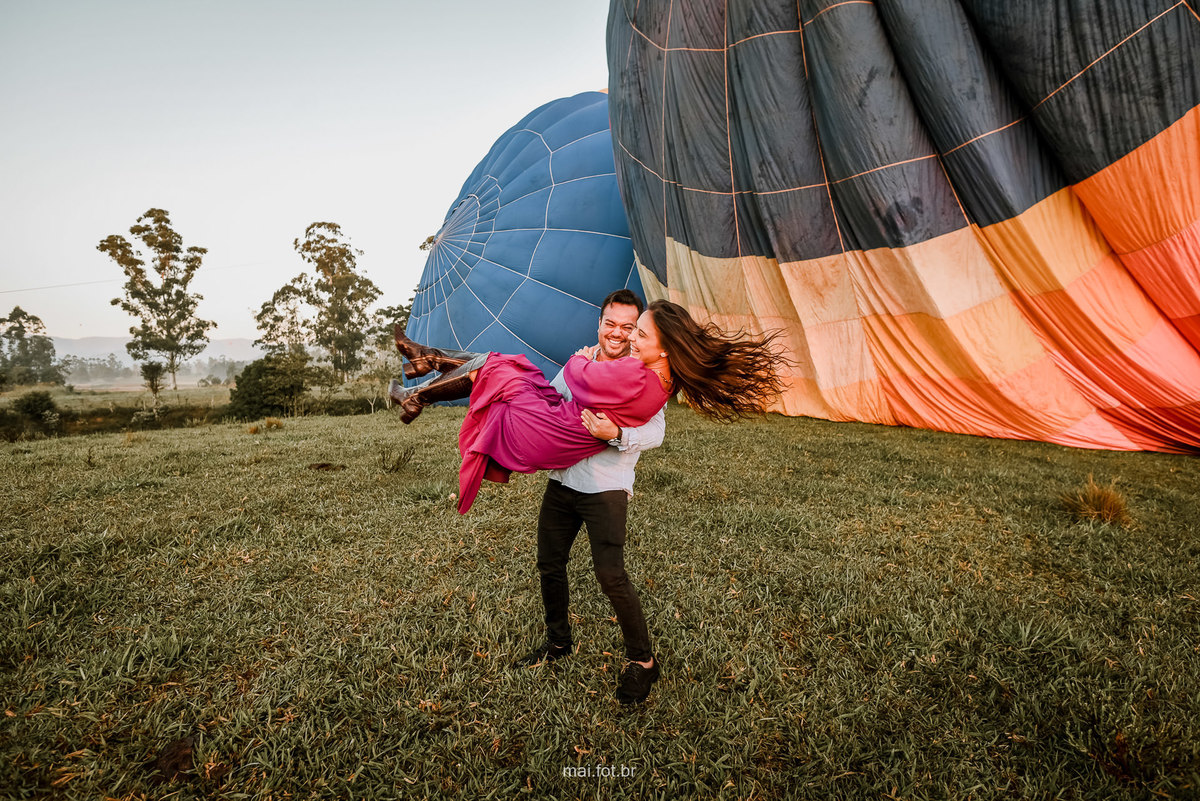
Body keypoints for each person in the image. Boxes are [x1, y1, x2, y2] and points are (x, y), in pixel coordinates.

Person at [511, 290, 668, 706]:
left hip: (605, 487)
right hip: (563, 482)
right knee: (549, 564)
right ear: (599, 324)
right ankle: (558, 643)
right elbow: (553, 400)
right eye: (610, 324)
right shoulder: (580, 362)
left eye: (628, 327)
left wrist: (615, 435)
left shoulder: (642, 371)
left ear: (638, 332)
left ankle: (644, 662)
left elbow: (657, 431)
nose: (618, 334)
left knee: (611, 576)